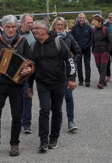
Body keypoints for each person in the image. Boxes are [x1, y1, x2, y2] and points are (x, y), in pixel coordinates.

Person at [0, 15, 32, 157]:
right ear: (2, 27)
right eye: (8, 27)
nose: (10, 30)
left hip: (16, 84)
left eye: (13, 27)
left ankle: (14, 144)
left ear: (17, 27)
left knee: (16, 115)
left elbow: (30, 61)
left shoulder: (22, 42)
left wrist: (28, 69)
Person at [28, 20, 76, 152]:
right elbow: (31, 68)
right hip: (42, 83)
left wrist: (71, 78)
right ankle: (43, 140)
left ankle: (54, 138)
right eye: (33, 28)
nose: (34, 30)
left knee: (56, 110)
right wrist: (30, 86)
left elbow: (69, 60)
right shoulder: (33, 46)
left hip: (58, 82)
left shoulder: (57, 42)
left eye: (37, 28)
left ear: (45, 30)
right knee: (44, 109)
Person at [50, 17, 81, 132]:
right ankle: (58, 119)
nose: (60, 27)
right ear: (54, 26)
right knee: (55, 98)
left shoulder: (69, 37)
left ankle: (71, 121)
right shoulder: (50, 37)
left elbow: (78, 51)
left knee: (68, 96)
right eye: (58, 24)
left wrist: (72, 62)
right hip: (53, 73)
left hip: (67, 72)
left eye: (62, 25)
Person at [18, 13, 35, 134]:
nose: (31, 25)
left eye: (32, 22)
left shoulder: (34, 34)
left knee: (27, 95)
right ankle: (18, 120)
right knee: (17, 98)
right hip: (16, 71)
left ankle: (26, 123)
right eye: (29, 22)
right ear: (22, 22)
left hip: (30, 70)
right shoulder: (14, 34)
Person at [71, 13, 93, 87]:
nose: (82, 19)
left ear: (85, 18)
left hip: (86, 48)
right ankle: (80, 80)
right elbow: (72, 39)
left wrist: (88, 45)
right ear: (78, 19)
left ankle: (87, 81)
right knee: (78, 65)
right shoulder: (74, 28)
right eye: (80, 18)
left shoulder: (88, 28)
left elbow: (91, 38)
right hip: (77, 49)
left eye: (83, 18)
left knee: (87, 64)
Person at [92, 15, 112, 89]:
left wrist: (108, 50)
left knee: (103, 66)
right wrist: (93, 50)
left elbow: (110, 41)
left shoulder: (105, 29)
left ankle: (101, 82)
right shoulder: (94, 30)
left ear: (100, 22)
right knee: (99, 66)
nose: (94, 22)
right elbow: (93, 41)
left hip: (104, 51)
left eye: (95, 21)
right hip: (96, 51)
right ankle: (103, 80)